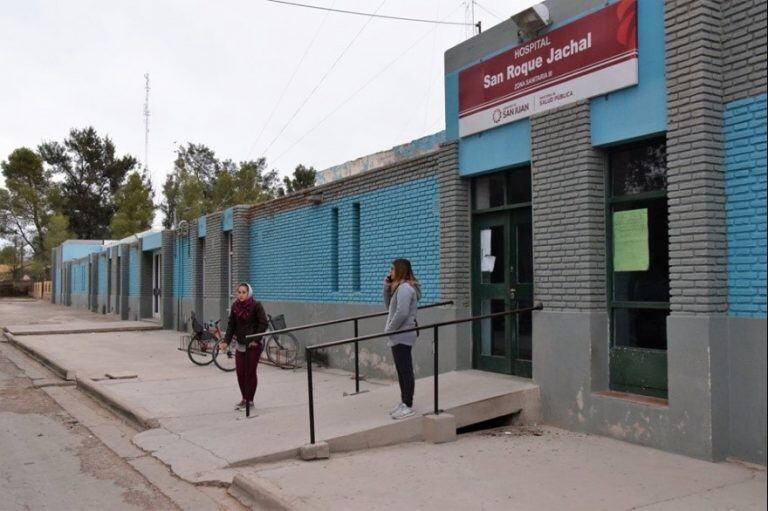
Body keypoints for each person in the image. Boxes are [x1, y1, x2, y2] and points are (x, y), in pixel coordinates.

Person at [219, 283, 269, 411]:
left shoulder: (256, 305)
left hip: (253, 345)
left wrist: (255, 339)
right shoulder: (235, 306)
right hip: (241, 344)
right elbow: (231, 326)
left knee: (250, 372)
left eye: (244, 292)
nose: (241, 295)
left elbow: (263, 323)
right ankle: (244, 399)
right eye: (239, 292)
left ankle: (250, 401)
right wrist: (226, 341)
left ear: (249, 293)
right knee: (240, 373)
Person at [383, 258, 421, 420]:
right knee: (401, 369)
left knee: (405, 370)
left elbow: (403, 312)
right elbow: (388, 306)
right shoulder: (399, 288)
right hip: (399, 333)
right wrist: (386, 286)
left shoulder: (405, 288)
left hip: (403, 333)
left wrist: (389, 329)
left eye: (392, 269)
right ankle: (404, 402)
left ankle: (408, 404)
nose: (389, 272)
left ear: (399, 270)